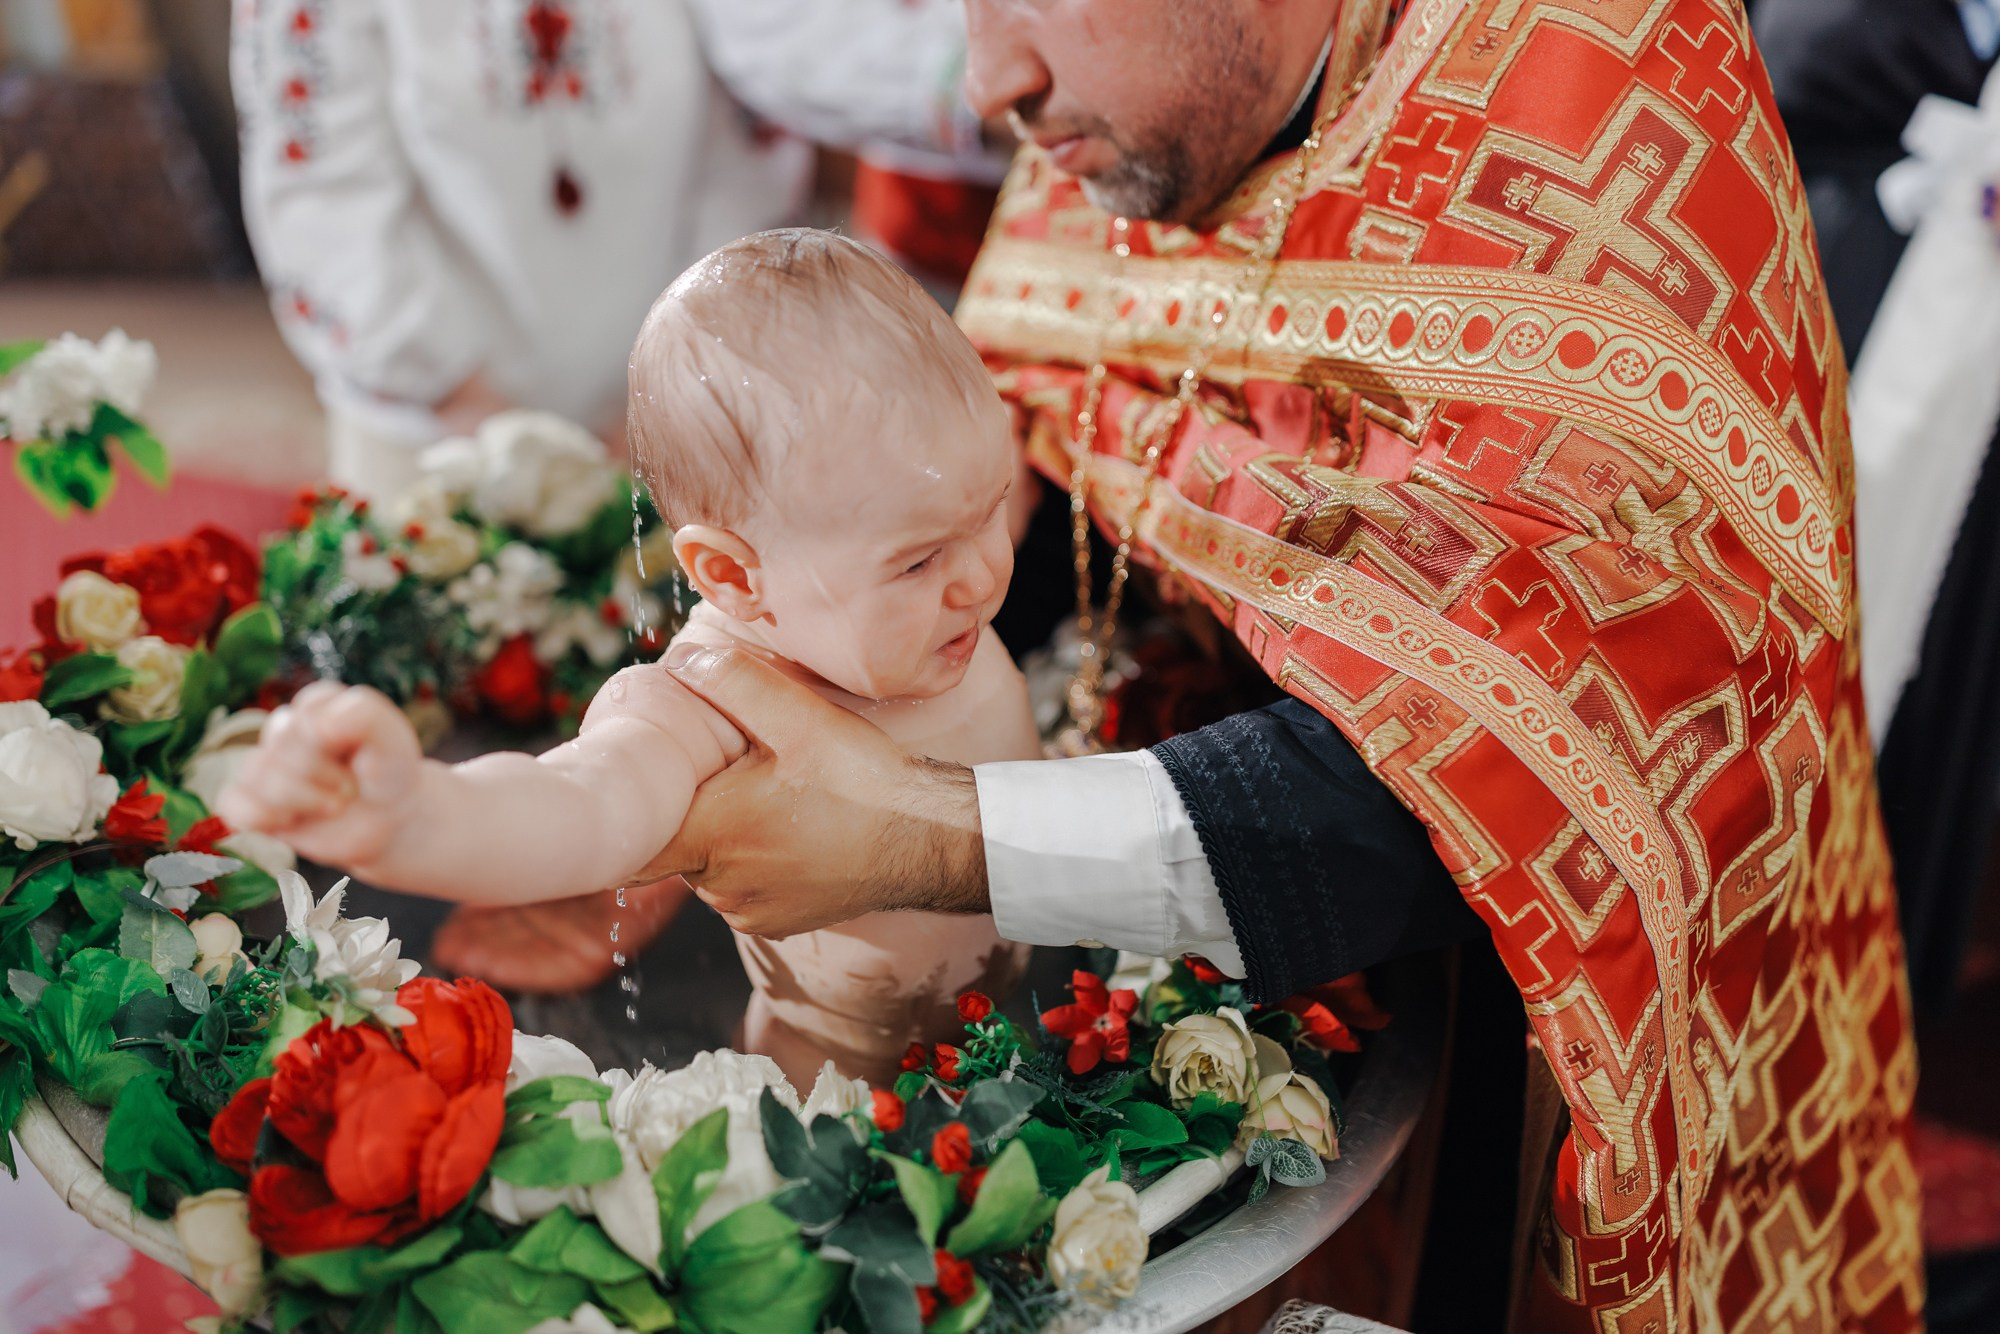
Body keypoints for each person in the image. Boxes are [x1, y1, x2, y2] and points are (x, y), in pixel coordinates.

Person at [644, 1, 1924, 1329]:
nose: (987, 82)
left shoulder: (1589, 78)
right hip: (1221, 997)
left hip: (1527, 1060)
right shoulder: (1132, 112)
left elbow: (1530, 781)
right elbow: (1038, 456)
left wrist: (933, 836)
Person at [216, 230, 1037, 1086]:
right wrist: (420, 815)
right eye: (918, 560)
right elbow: (582, 803)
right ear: (735, 577)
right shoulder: (715, 702)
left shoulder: (926, 600)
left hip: (1043, 1001)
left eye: (992, 509)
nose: (980, 575)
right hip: (852, 1078)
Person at [230, 0, 810, 498]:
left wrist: (665, 395)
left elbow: (745, 168)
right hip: (434, 443)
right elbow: (319, 189)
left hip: (669, 428)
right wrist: (458, 394)